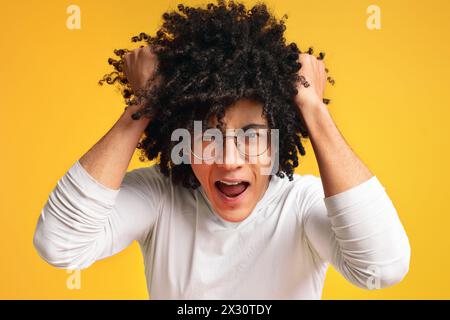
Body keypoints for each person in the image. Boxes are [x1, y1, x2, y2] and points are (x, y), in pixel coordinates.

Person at [33, 0, 410, 299]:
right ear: (178, 135)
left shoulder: (301, 203)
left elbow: (382, 268)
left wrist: (313, 108)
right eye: (205, 135)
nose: (229, 160)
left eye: (253, 135)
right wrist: (143, 104)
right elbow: (60, 245)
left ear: (280, 136)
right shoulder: (161, 196)